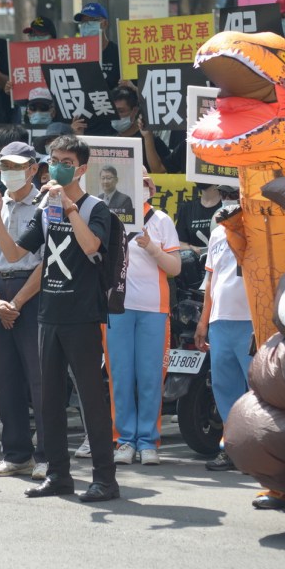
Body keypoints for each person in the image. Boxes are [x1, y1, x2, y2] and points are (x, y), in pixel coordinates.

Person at [0, 134, 120, 502]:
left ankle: (105, 479)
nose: (57, 167)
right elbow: (14, 254)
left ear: (81, 168)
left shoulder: (95, 208)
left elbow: (92, 247)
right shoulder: (45, 210)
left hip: (83, 315)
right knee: (49, 399)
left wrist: (69, 208)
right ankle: (58, 475)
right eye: (54, 160)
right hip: (49, 314)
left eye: (66, 162)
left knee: (91, 397)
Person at [0, 142, 48, 480]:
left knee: (40, 379)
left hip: (32, 295)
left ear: (33, 169)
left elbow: (46, 263)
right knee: (5, 381)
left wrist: (16, 303)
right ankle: (17, 455)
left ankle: (47, 455)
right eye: (4, 165)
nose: (9, 172)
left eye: (17, 166)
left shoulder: (45, 204)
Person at [106, 170, 181, 465]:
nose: (141, 188)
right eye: (135, 183)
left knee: (150, 377)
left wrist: (152, 248)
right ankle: (124, 440)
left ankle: (148, 440)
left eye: (145, 183)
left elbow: (175, 267)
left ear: (150, 188)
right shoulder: (108, 217)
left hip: (153, 308)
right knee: (120, 376)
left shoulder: (161, 220)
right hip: (117, 308)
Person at [193, 187, 253, 472]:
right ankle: (231, 448)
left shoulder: (261, 227)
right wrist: (204, 321)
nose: (230, 200)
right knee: (225, 388)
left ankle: (261, 450)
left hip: (251, 320)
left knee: (258, 388)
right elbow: (211, 282)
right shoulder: (218, 232)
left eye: (235, 194)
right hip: (220, 321)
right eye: (227, 194)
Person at [108, 86, 170, 173]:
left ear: (135, 111)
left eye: (121, 111)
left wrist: (148, 138)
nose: (116, 116)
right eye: (113, 111)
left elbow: (165, 172)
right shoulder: (109, 141)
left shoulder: (151, 141)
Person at [75, 2, 120, 90]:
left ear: (105, 23)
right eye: (83, 22)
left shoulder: (118, 54)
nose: (86, 25)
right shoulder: (78, 55)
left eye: (92, 20)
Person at [176, 184, 221, 255]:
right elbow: (180, 243)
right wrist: (190, 248)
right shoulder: (187, 208)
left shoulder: (227, 207)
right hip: (196, 259)